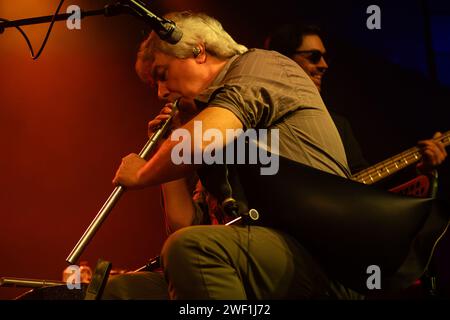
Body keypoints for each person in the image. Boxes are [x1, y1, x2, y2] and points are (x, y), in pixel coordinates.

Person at [102, 11, 361, 300]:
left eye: (163, 75)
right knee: (119, 291)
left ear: (199, 51)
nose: (161, 92)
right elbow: (183, 226)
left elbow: (200, 140)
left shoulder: (260, 65)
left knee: (193, 250)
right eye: (156, 85)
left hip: (322, 255)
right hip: (258, 255)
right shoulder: (211, 121)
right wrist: (168, 143)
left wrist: (142, 172)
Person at [264, 23, 447, 175]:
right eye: (314, 56)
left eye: (324, 57)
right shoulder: (254, 119)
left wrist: (422, 170)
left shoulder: (337, 124)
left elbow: (364, 190)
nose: (324, 65)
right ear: (283, 60)